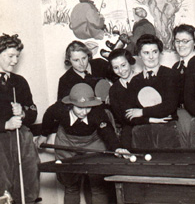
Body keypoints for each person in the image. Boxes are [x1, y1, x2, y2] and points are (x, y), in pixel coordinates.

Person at [37, 83, 129, 204]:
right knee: (71, 187)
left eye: (87, 107)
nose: (84, 112)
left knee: (98, 187)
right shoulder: (60, 109)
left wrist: (117, 148)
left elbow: (108, 132)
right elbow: (49, 114)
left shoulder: (98, 113)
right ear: (71, 104)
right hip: (67, 144)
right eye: (80, 108)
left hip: (93, 143)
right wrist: (44, 135)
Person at [0, 34, 40, 204]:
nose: (15, 61)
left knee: (29, 181)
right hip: (1, 141)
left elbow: (33, 110)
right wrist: (5, 124)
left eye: (17, 56)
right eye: (10, 56)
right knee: (3, 188)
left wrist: (23, 112)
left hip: (22, 139)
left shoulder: (19, 82)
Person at [124, 34, 180, 149]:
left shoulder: (170, 75)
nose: (151, 57)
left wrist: (142, 112)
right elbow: (130, 114)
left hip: (166, 129)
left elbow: (169, 107)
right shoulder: (135, 81)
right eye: (146, 53)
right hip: (141, 131)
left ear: (160, 53)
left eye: (154, 52)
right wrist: (151, 119)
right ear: (139, 55)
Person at [171, 24, 195, 147]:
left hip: (194, 116)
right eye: (177, 41)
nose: (180, 45)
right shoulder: (175, 67)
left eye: (185, 41)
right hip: (179, 116)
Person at [108, 49, 139, 144]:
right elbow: (122, 118)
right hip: (128, 129)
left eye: (123, 65)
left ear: (130, 62)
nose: (121, 71)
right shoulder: (113, 90)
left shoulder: (144, 79)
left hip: (150, 124)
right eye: (116, 67)